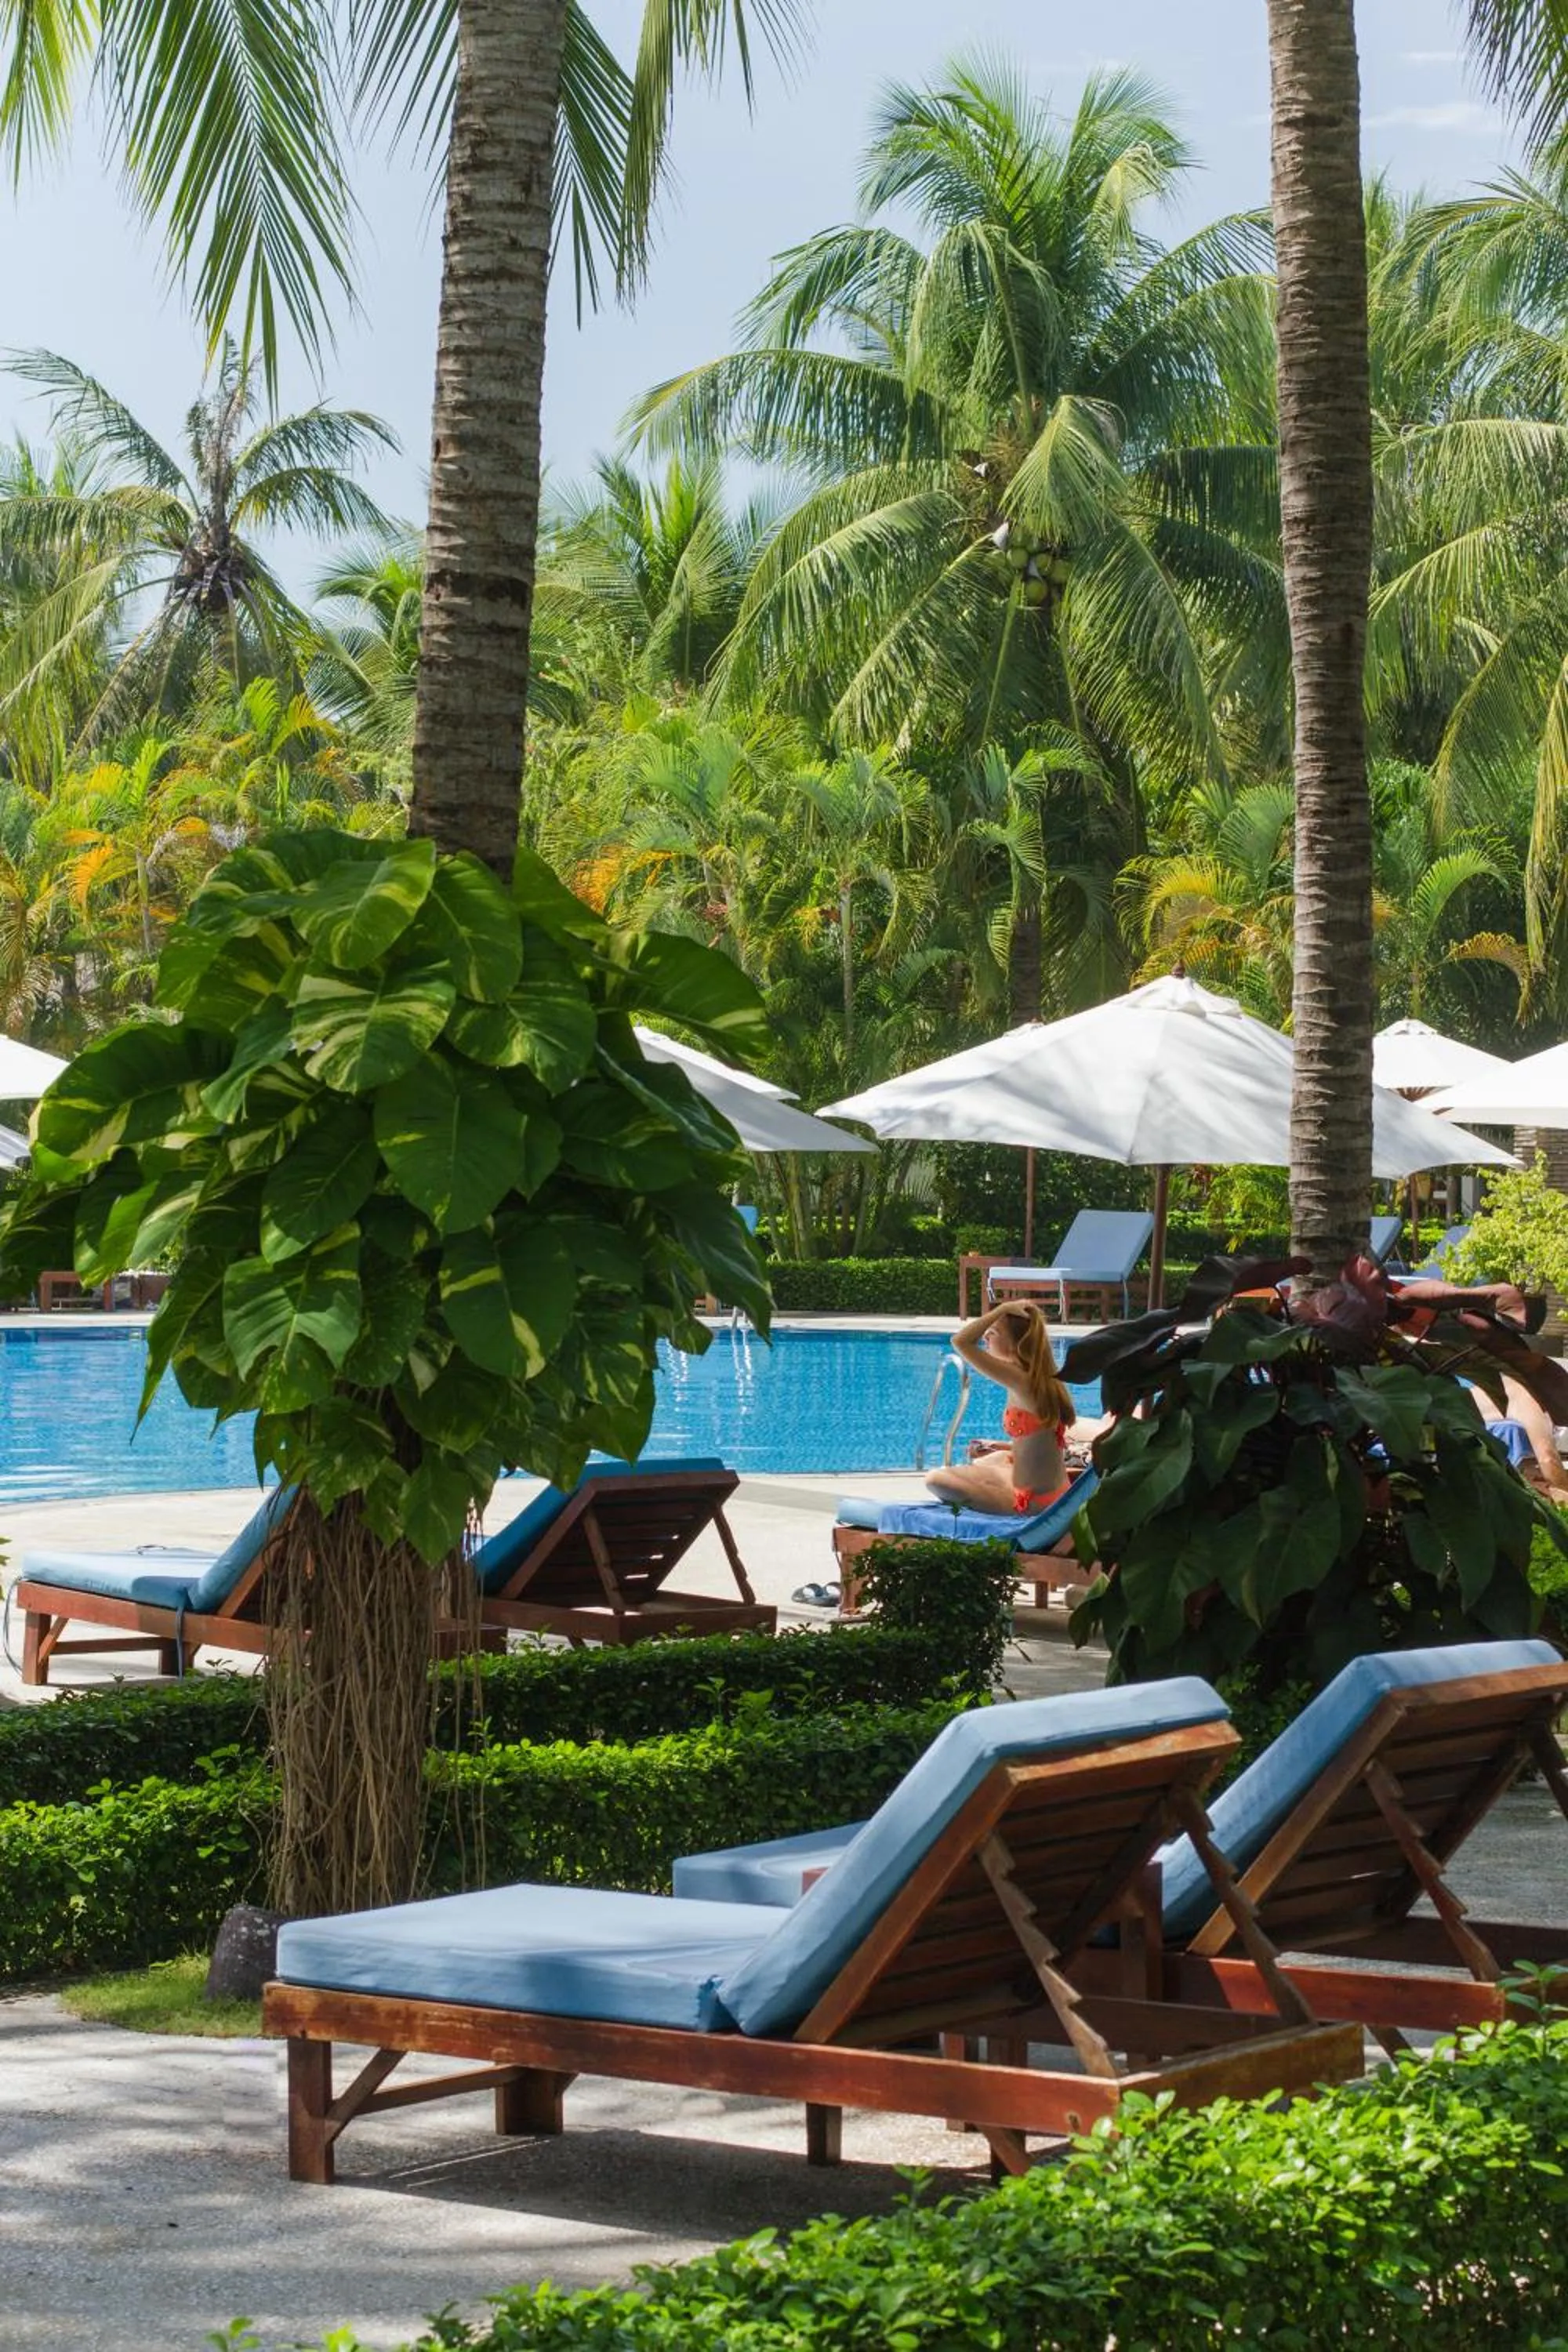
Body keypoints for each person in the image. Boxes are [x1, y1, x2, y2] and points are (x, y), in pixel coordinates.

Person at [926, 1301, 1076, 1515]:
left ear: (1017, 1343)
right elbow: (1041, 1443)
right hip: (1054, 1491)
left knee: (935, 1479)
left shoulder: (1020, 1380)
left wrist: (1002, 1309)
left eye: (993, 1332)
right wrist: (1004, 1447)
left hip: (1032, 1503)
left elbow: (960, 1342)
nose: (985, 1337)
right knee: (992, 1458)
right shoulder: (1041, 1377)